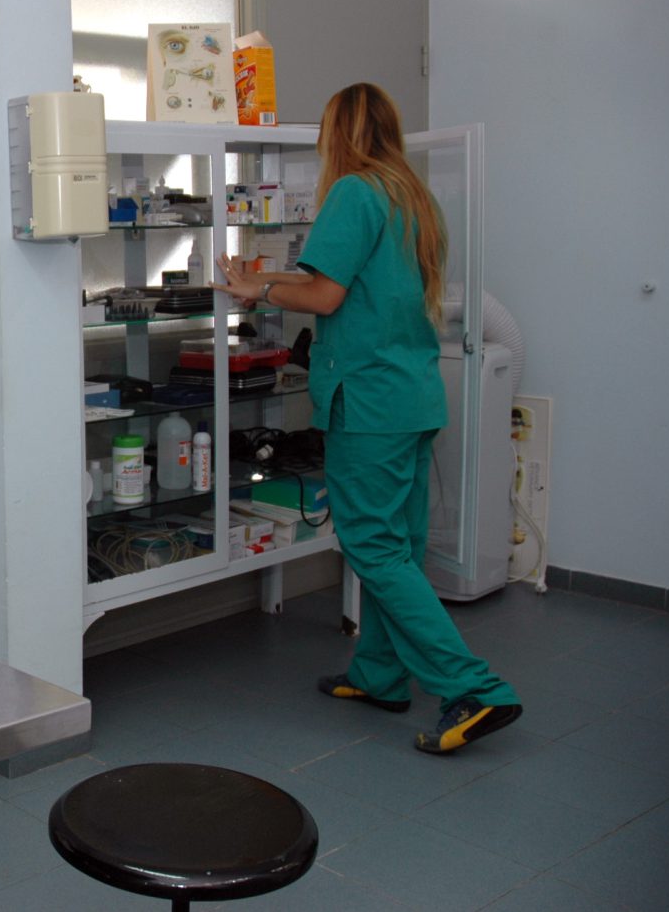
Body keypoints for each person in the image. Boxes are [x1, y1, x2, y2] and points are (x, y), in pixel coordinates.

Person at [212, 82, 522, 754]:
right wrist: (270, 280)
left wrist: (257, 286)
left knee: (374, 547)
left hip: (370, 405)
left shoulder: (353, 192)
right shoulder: (413, 197)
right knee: (399, 546)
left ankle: (474, 686)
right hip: (412, 396)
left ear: (339, 135)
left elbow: (325, 293)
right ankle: (381, 673)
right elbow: (350, 286)